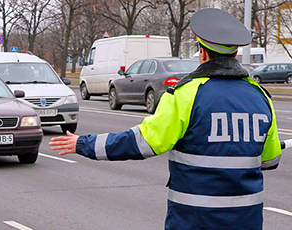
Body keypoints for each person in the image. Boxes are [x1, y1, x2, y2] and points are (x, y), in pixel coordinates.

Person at [49, 8, 281, 230]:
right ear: (236, 54)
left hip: (194, 221)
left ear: (202, 52)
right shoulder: (260, 97)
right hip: (247, 221)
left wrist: (83, 144)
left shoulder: (187, 94)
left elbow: (142, 142)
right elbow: (270, 160)